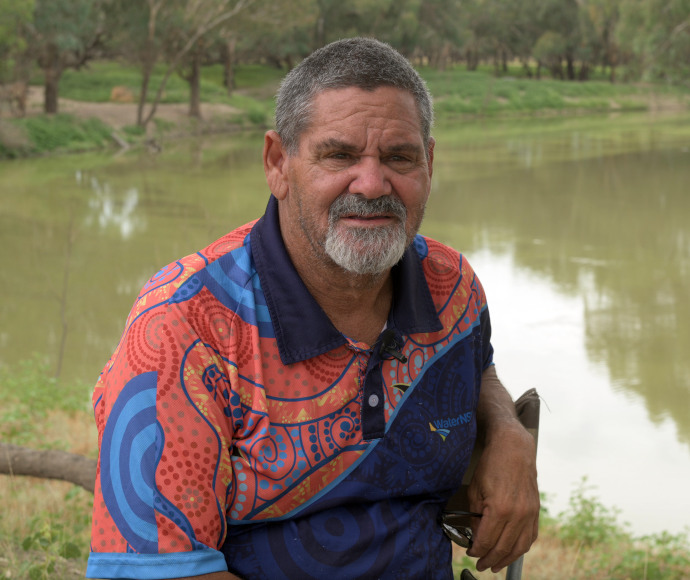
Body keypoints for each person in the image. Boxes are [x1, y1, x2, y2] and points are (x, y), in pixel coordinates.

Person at [86, 37, 539, 580]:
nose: (372, 184)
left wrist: (507, 432)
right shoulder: (182, 326)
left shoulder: (452, 285)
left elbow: (478, 364)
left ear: (430, 162)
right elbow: (163, 573)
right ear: (278, 163)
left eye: (399, 157)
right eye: (339, 155)